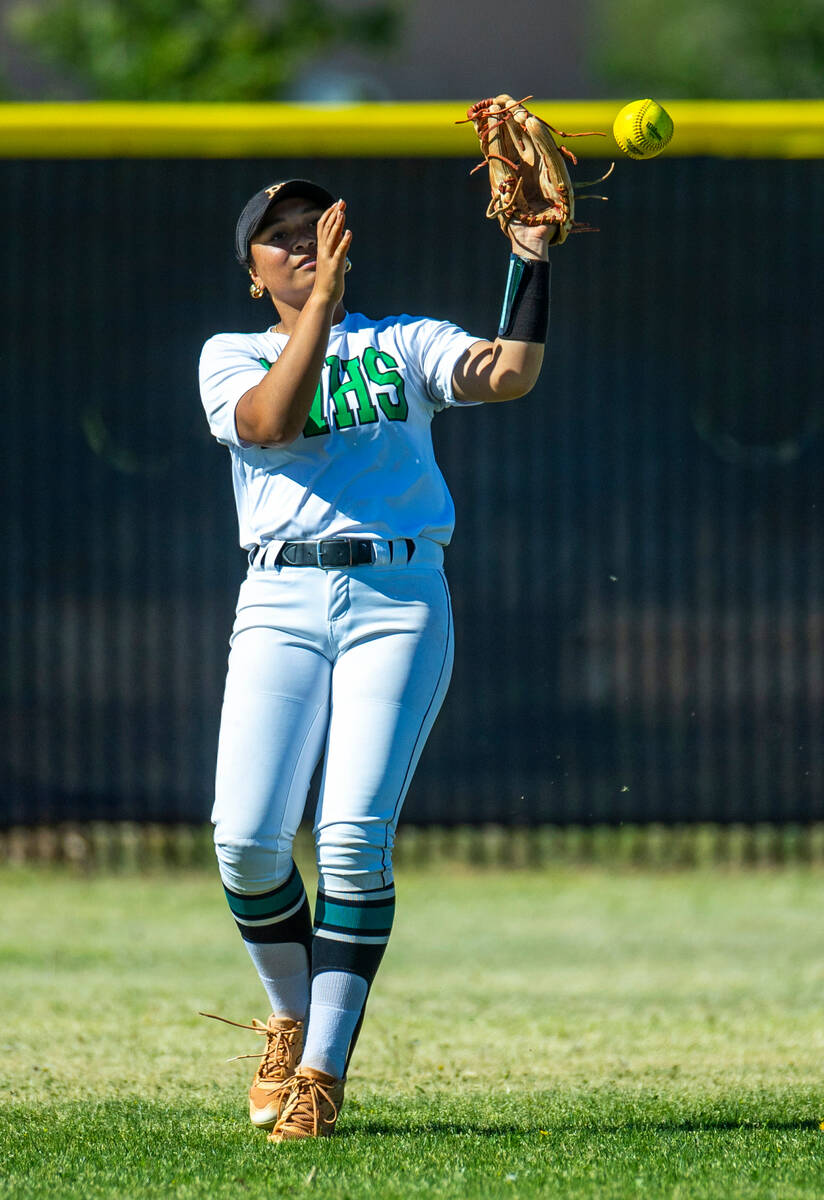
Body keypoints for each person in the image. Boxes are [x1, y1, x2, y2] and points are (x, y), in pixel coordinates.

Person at [198, 176, 552, 1142]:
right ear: (253, 270)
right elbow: (271, 423)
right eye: (277, 237)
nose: (301, 242)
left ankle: (318, 1072)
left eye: (313, 225)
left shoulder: (401, 342)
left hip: (397, 596)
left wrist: (528, 255)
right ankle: (290, 1013)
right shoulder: (233, 354)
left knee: (350, 837)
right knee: (246, 841)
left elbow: (508, 373)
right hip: (278, 596)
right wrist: (319, 309)